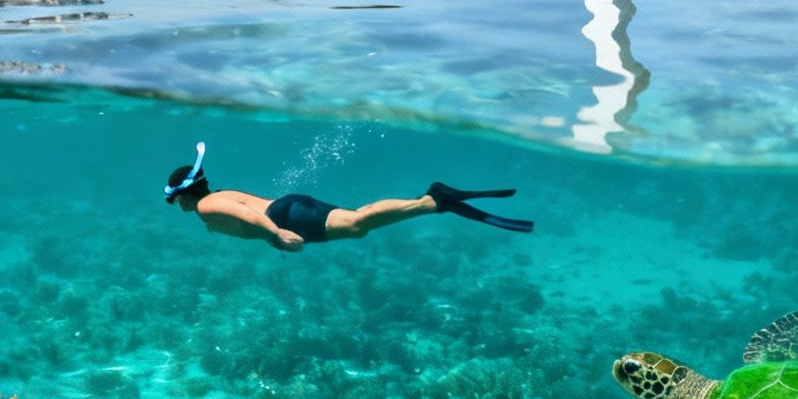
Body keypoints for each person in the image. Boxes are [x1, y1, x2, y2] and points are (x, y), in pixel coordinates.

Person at [162, 142, 531, 251]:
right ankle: (433, 202)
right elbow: (245, 212)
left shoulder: (208, 205)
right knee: (356, 224)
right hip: (288, 207)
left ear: (184, 194)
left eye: (174, 198)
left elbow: (246, 217)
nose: (175, 205)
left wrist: (275, 234)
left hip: (286, 217)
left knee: (356, 224)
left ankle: (432, 201)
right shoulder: (218, 193)